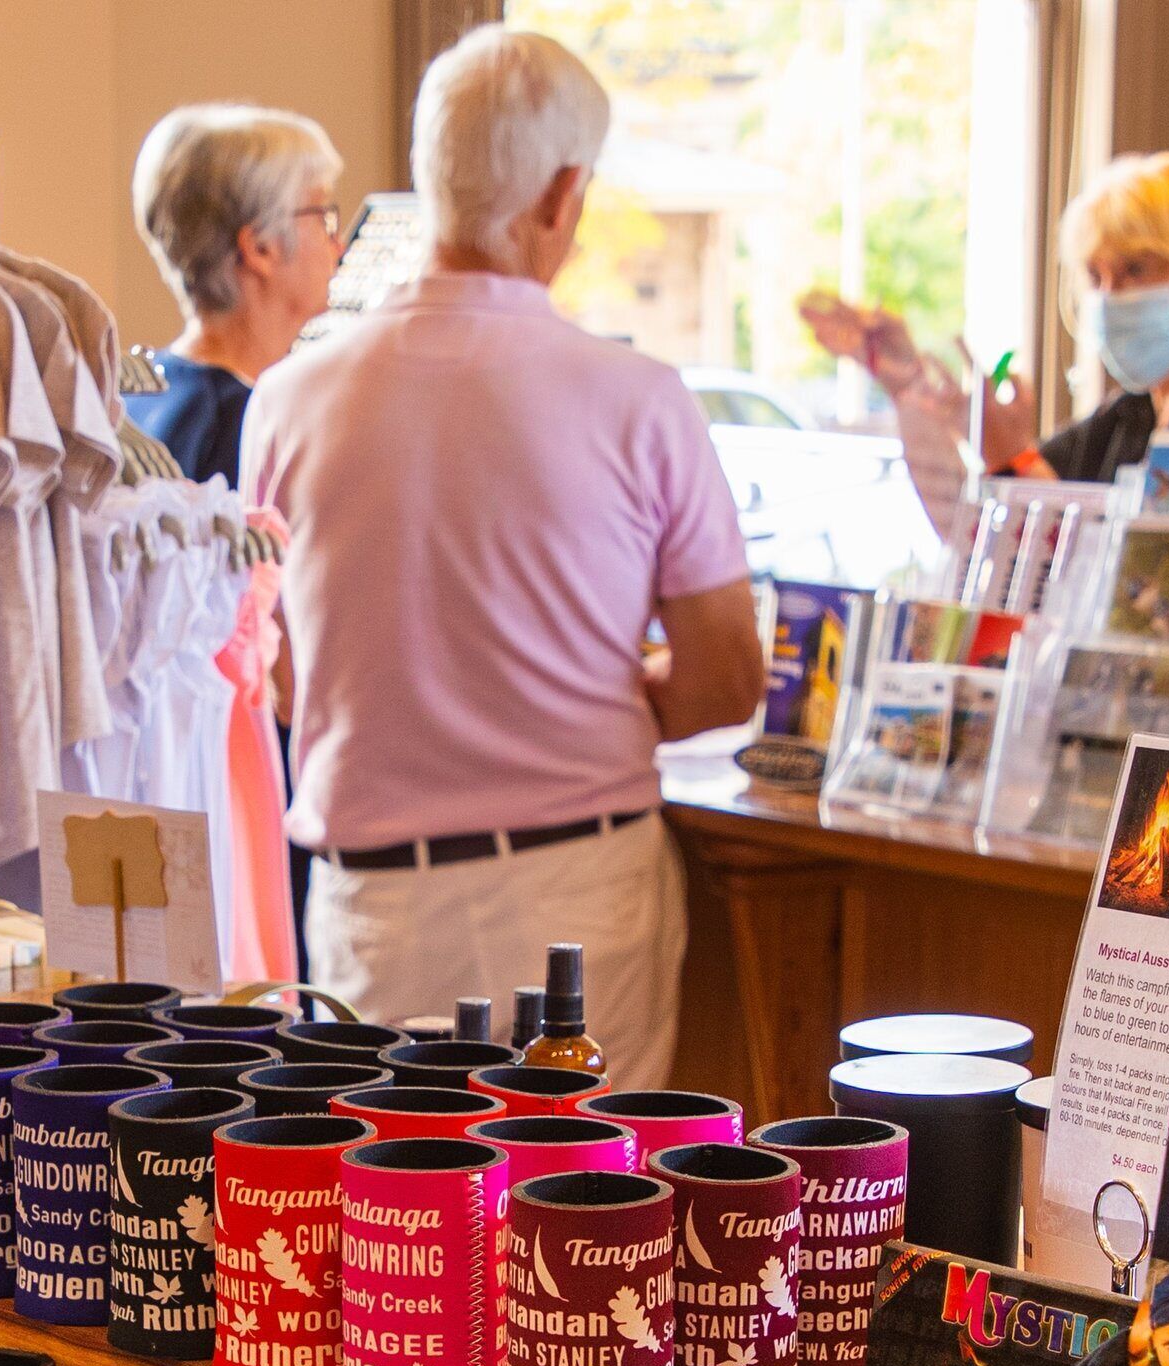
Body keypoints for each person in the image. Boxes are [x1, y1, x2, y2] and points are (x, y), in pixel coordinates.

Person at [244, 25, 765, 1087]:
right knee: (587, 1218)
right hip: (580, 887)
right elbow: (726, 678)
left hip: (375, 903)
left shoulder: (288, 401)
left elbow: (283, 673)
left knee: (383, 1227)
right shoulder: (641, 401)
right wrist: (581, 701)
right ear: (564, 193)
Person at [803, 151, 1169, 537]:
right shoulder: (1135, 415)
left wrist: (1014, 456)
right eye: (1097, 276)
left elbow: (1148, 600)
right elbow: (987, 534)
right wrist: (911, 391)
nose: (1111, 298)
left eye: (1136, 270)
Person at [126, 105, 346, 484]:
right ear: (260, 247)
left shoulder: (137, 393)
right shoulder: (249, 427)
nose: (339, 245)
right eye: (323, 217)